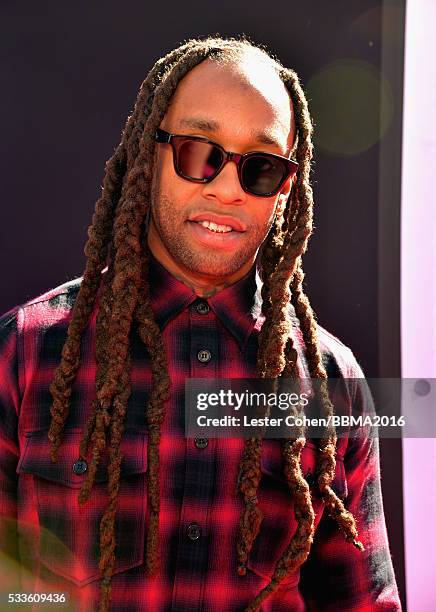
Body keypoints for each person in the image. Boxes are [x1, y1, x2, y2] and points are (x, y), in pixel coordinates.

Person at [0, 36, 401, 611]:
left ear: (286, 188)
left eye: (261, 167)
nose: (227, 188)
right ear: (150, 152)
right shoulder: (26, 352)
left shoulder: (330, 384)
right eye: (198, 151)